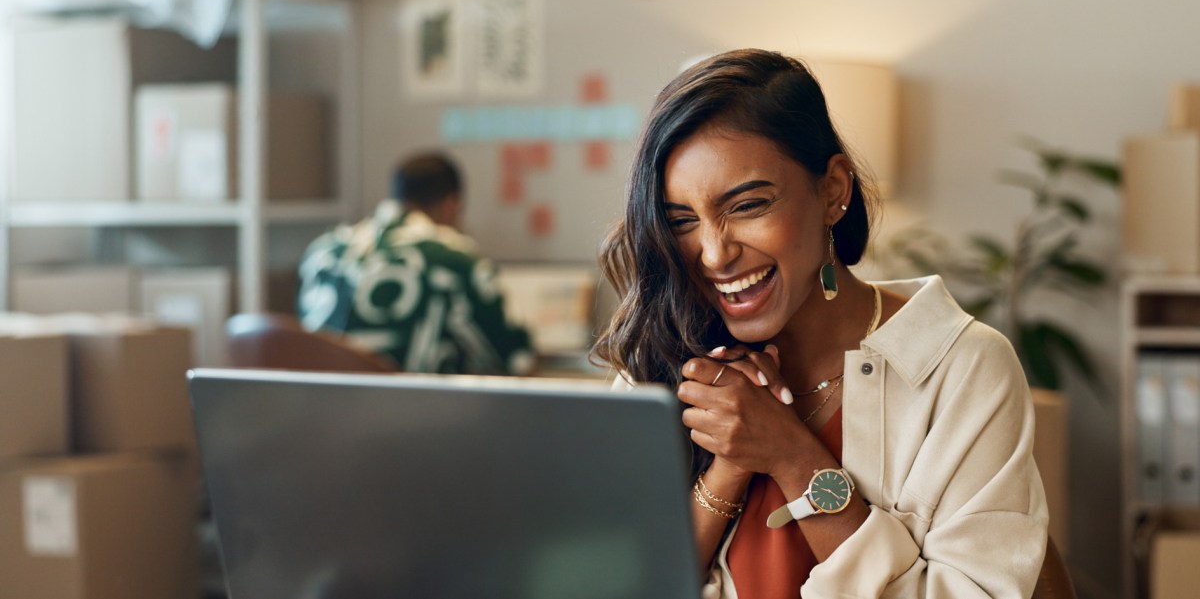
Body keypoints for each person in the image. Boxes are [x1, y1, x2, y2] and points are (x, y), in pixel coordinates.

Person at [593, 49, 1047, 598]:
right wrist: (728, 469)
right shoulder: (662, 353)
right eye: (682, 221)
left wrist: (793, 457)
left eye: (747, 206)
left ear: (833, 189)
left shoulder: (963, 367)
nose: (714, 254)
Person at [297, 151, 536, 376]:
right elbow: (517, 359)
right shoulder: (455, 257)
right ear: (451, 204)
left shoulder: (325, 252)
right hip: (416, 414)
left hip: (322, 413)